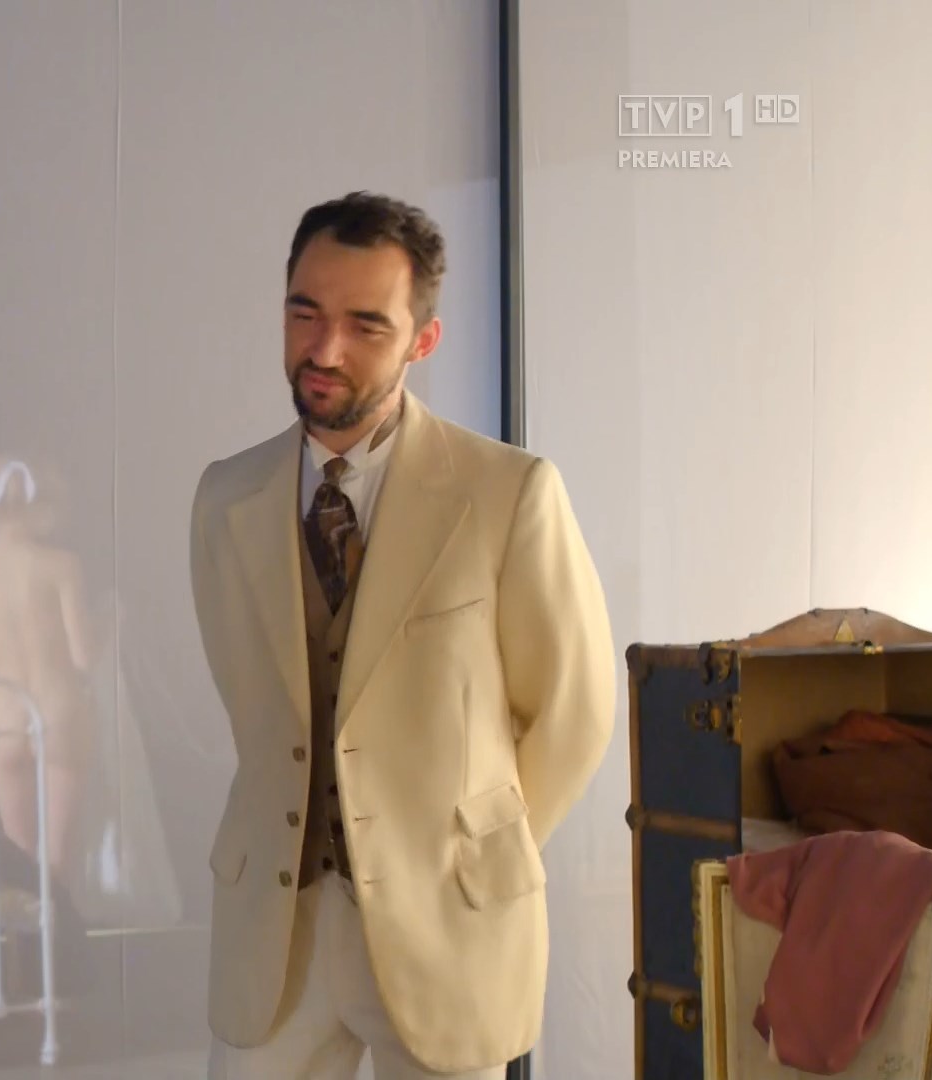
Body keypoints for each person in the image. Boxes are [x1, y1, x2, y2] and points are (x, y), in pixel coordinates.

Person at [188, 192, 614, 1080]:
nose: (324, 350)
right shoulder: (225, 497)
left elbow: (573, 714)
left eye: (365, 325)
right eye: (305, 313)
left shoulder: (509, 494)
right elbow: (253, 706)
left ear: (424, 340)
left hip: (444, 929)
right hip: (277, 931)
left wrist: (466, 857)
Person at [0, 458, 94, 880]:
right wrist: (109, 626)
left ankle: (28, 924)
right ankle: (59, 923)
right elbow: (83, 656)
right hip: (57, 709)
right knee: (58, 859)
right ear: (40, 507)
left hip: (4, 715)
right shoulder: (62, 565)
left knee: (19, 859)